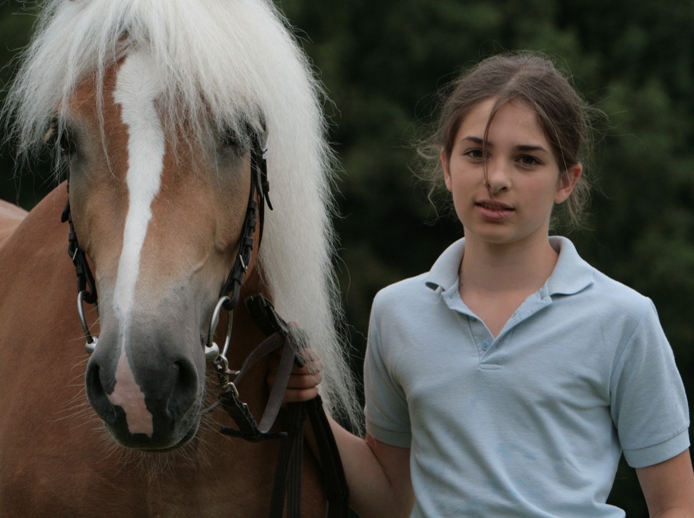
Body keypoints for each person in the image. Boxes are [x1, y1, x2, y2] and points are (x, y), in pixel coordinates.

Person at [282, 52, 694, 517]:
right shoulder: (396, 311)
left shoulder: (625, 318)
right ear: (446, 165)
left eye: (527, 160)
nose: (496, 179)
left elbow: (676, 504)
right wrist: (308, 403)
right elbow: (390, 499)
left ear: (567, 181)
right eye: (476, 153)